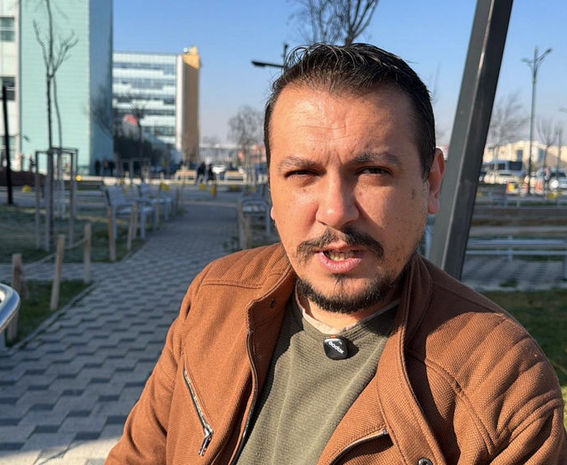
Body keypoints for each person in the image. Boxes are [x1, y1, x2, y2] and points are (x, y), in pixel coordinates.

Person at [105, 44, 566, 465]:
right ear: (271, 187)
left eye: (372, 171)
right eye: (302, 173)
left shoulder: (502, 382)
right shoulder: (213, 299)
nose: (336, 211)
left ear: (431, 182)